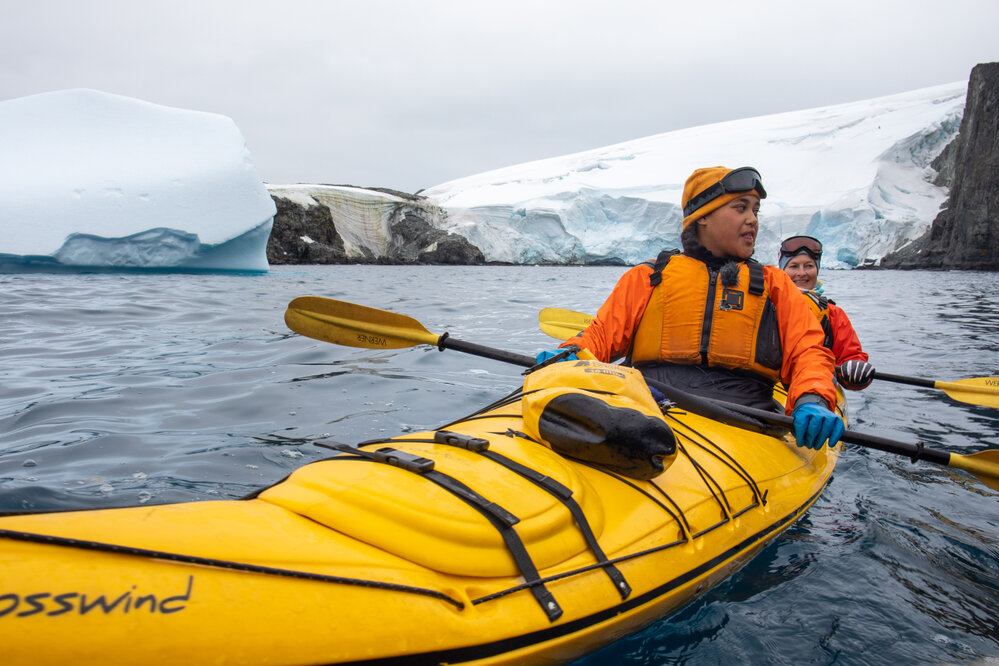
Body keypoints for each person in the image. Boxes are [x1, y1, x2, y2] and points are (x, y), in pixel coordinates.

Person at [537, 166, 844, 450]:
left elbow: (808, 351)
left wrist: (813, 397)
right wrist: (571, 353)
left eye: (755, 210)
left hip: (745, 414)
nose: (753, 219)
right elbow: (601, 336)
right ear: (703, 217)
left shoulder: (774, 284)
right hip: (648, 401)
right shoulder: (649, 276)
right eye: (740, 208)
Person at [778, 235, 875, 391]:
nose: (802, 273)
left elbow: (850, 356)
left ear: (817, 269)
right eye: (794, 266)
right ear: (782, 271)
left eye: (809, 266)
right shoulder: (766, 305)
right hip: (770, 386)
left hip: (817, 385)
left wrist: (855, 369)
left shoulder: (833, 314)